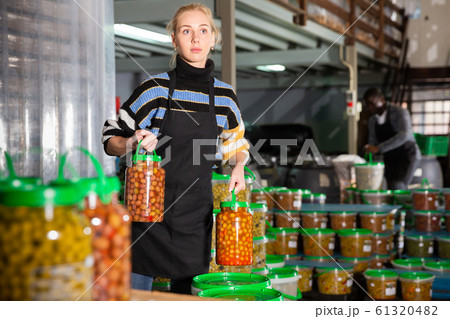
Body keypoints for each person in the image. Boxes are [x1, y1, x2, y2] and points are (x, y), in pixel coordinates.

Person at [101, 3, 249, 294]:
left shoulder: (225, 97)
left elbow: (236, 144)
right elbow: (110, 139)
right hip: (147, 213)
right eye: (186, 31)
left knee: (187, 304)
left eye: (203, 30)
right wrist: (131, 142)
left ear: (213, 38)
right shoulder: (154, 89)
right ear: (174, 39)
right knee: (135, 301)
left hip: (195, 218)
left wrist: (239, 165)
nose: (195, 39)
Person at [363, 88, 420, 190]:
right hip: (390, 159)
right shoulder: (372, 121)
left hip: (406, 156)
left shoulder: (399, 112)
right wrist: (370, 150)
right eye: (368, 105)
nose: (370, 108)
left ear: (381, 99)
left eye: (372, 104)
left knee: (398, 186)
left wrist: (379, 148)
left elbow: (404, 135)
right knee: (389, 189)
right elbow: (373, 142)